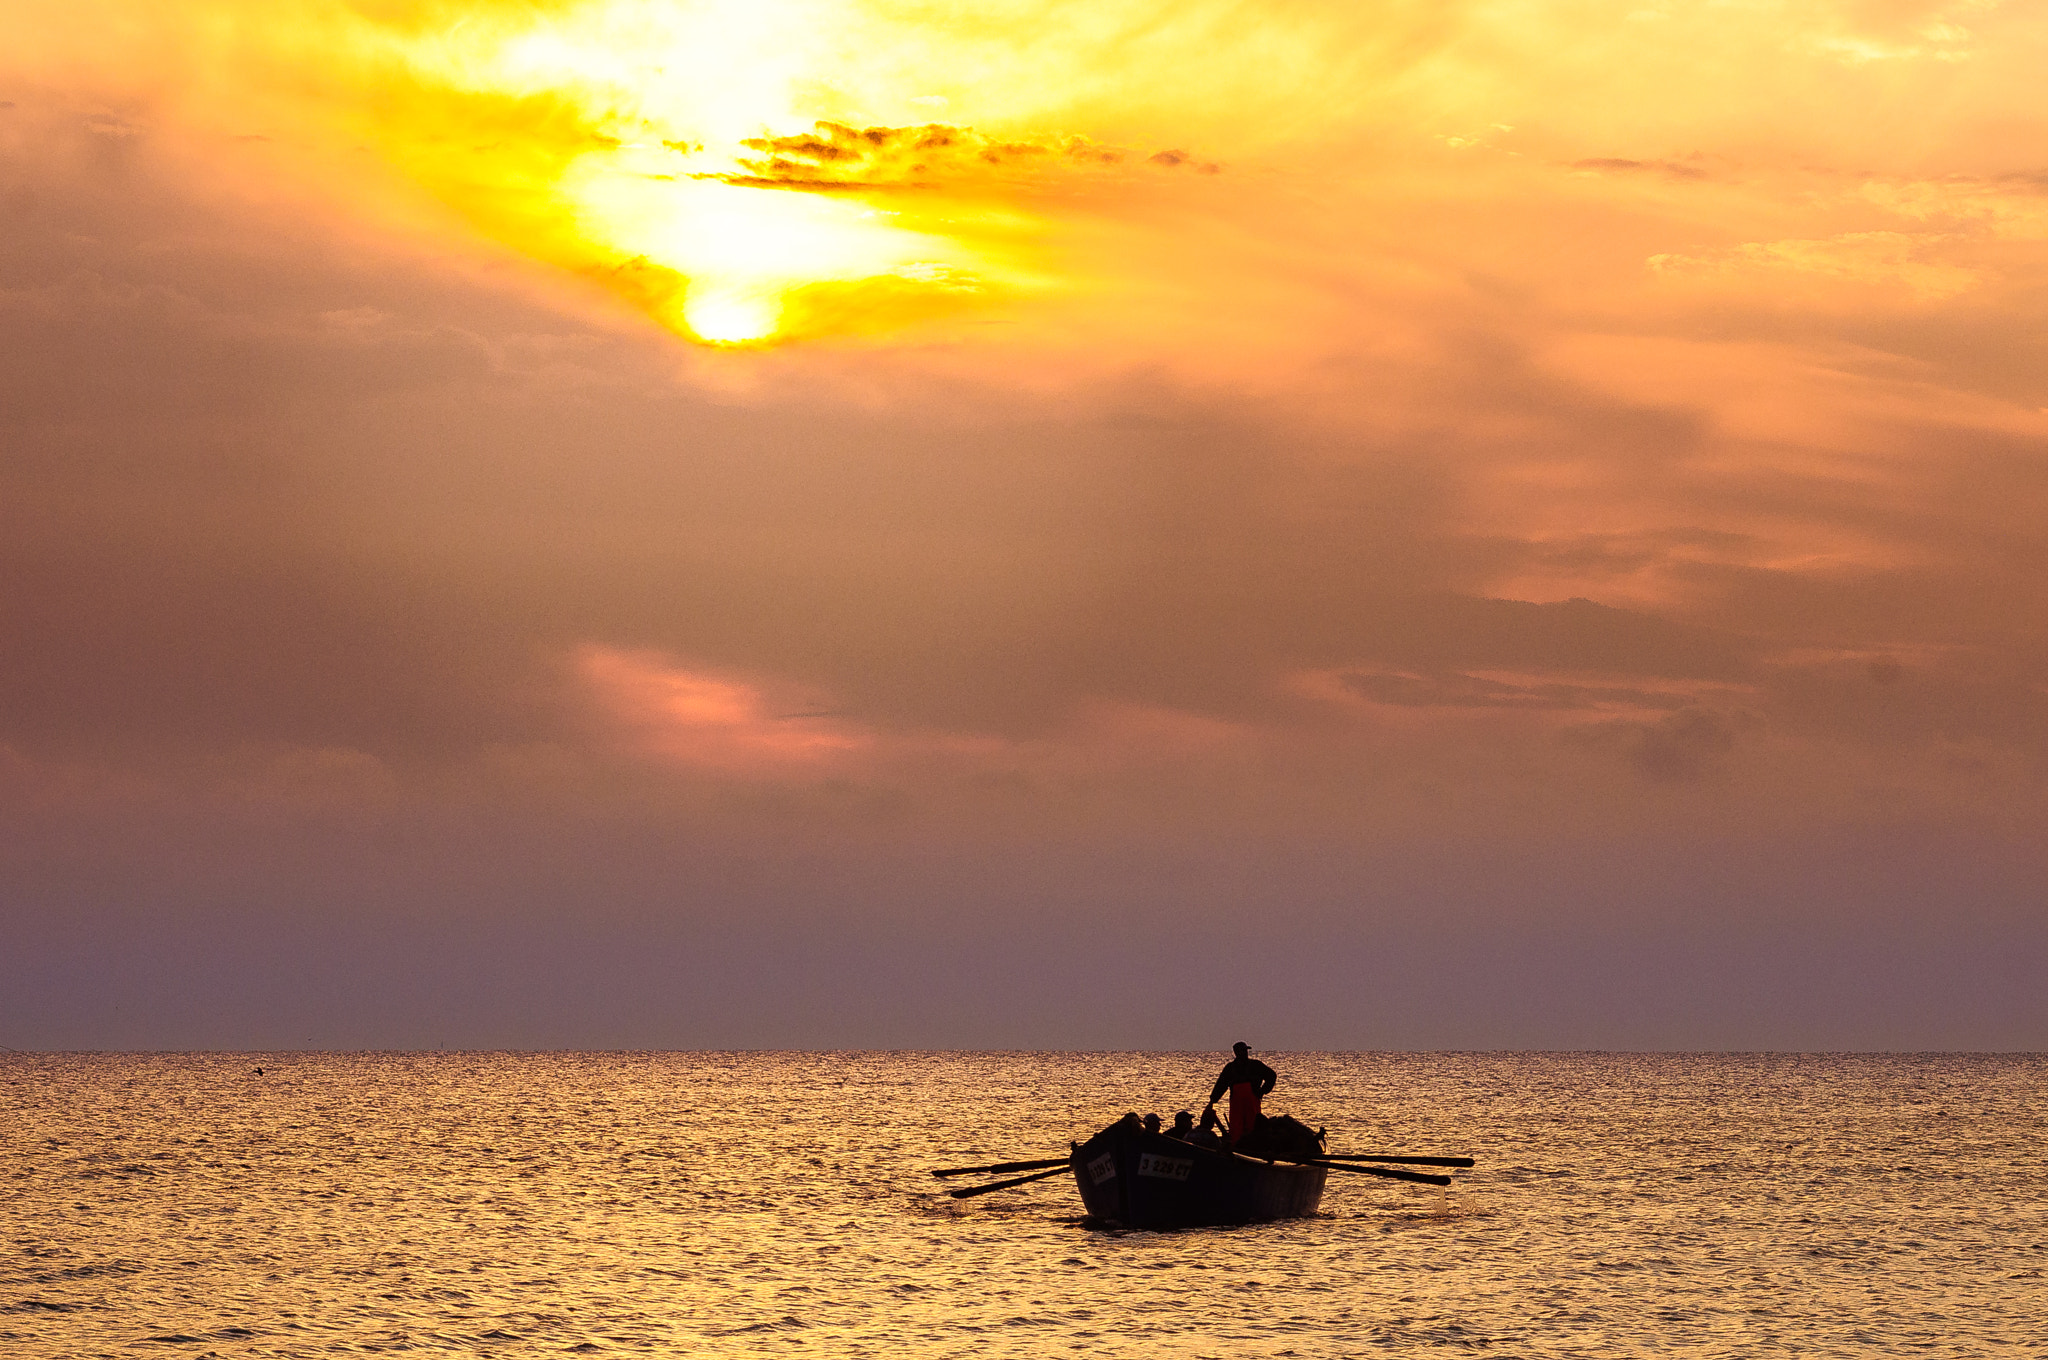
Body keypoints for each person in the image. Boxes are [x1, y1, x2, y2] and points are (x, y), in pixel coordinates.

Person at [1207, 1042, 1277, 1146]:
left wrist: (1262, 1091)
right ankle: (1237, 1146)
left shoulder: (1256, 1065)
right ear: (1236, 1053)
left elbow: (1272, 1076)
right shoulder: (1230, 1068)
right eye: (1242, 1051)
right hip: (1236, 1105)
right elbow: (1221, 1085)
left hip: (1252, 1102)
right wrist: (1212, 1101)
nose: (1245, 1053)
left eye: (1246, 1051)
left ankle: (1254, 1147)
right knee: (1236, 1127)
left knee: (1253, 1125)